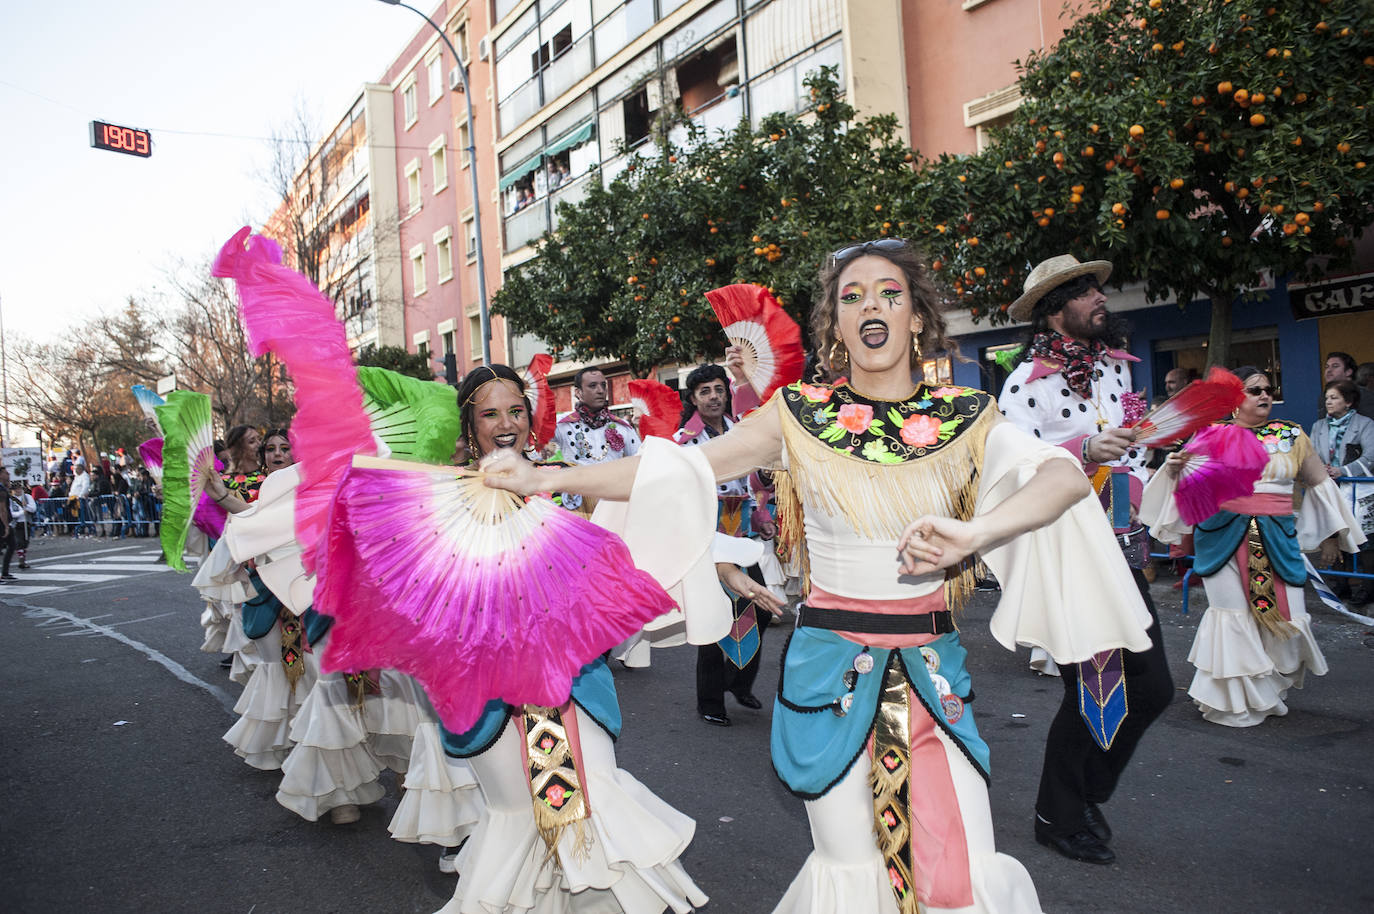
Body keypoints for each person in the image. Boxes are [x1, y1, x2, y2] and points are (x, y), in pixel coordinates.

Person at [485, 238, 1154, 914]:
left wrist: (975, 534)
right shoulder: (799, 415)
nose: (872, 305)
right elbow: (679, 469)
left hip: (935, 670)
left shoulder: (965, 416)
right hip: (827, 671)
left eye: (889, 293)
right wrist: (548, 475)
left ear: (916, 316)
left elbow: (1062, 476)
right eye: (852, 296)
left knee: (963, 866)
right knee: (851, 867)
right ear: (835, 324)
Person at [432, 364, 712, 914]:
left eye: (516, 410)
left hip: (573, 676)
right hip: (486, 689)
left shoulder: (562, 481)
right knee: (518, 823)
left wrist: (728, 570)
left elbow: (626, 534)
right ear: (469, 426)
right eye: (490, 413)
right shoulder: (440, 499)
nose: (506, 424)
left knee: (595, 803)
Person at [998, 254, 1174, 866]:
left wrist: (1159, 466)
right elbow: (1007, 464)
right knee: (1097, 689)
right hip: (1067, 548)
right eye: (1082, 290)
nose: (1100, 296)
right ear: (1054, 310)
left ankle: (1087, 792)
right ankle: (1058, 815)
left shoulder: (1115, 369)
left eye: (1097, 285)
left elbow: (1126, 454)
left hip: (1118, 546)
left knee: (1152, 687)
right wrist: (1080, 448)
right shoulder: (1027, 380)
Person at [1143, 368, 1364, 726]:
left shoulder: (1291, 435)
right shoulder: (1210, 436)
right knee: (1232, 617)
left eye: (1268, 389)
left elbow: (1319, 483)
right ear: (1235, 399)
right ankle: (1233, 702)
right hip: (1222, 536)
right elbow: (1190, 485)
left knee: (1286, 615)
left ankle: (1267, 690)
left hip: (1277, 537)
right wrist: (1173, 469)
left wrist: (1330, 537)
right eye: (1254, 390)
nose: (1264, 395)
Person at [676, 361, 776, 726]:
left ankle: (738, 682)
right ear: (694, 399)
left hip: (743, 539)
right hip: (708, 540)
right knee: (715, 618)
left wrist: (763, 518)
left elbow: (755, 487)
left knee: (760, 610)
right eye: (705, 391)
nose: (714, 396)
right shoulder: (684, 442)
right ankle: (710, 701)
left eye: (719, 389)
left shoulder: (741, 431)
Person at [1309, 379, 1374, 606]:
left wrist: (1342, 470)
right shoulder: (1319, 426)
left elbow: (1370, 457)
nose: (1329, 401)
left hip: (1358, 489)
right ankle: (1341, 583)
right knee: (1334, 533)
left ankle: (1368, 587)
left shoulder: (1365, 424)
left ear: (1348, 401)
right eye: (1327, 397)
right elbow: (1311, 454)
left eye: (1334, 397)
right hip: (1329, 489)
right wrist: (1321, 469)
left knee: (1364, 539)